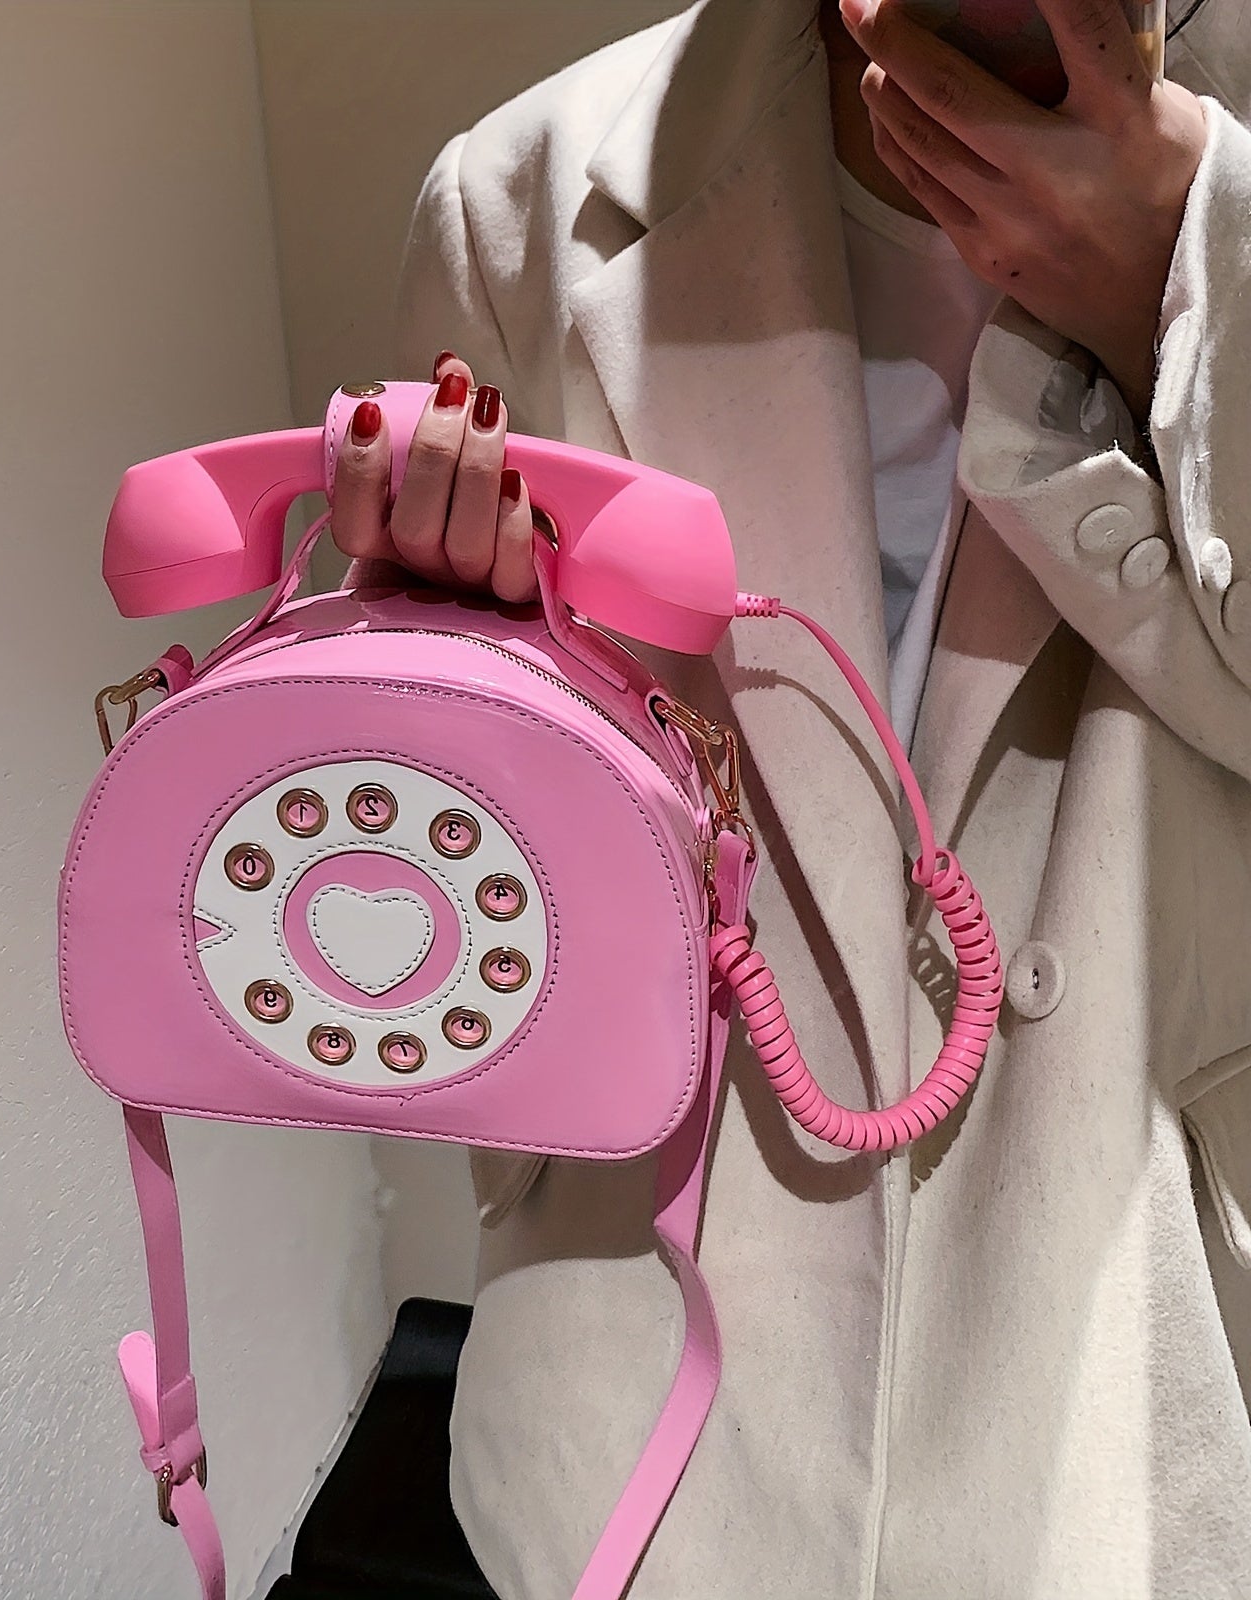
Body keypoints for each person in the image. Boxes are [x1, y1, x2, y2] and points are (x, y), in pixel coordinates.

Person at [331, 1, 1251, 1594]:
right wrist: (453, 696)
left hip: (1152, 1388)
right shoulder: (519, 200)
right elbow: (438, 915)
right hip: (643, 1423)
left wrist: (1185, 285)